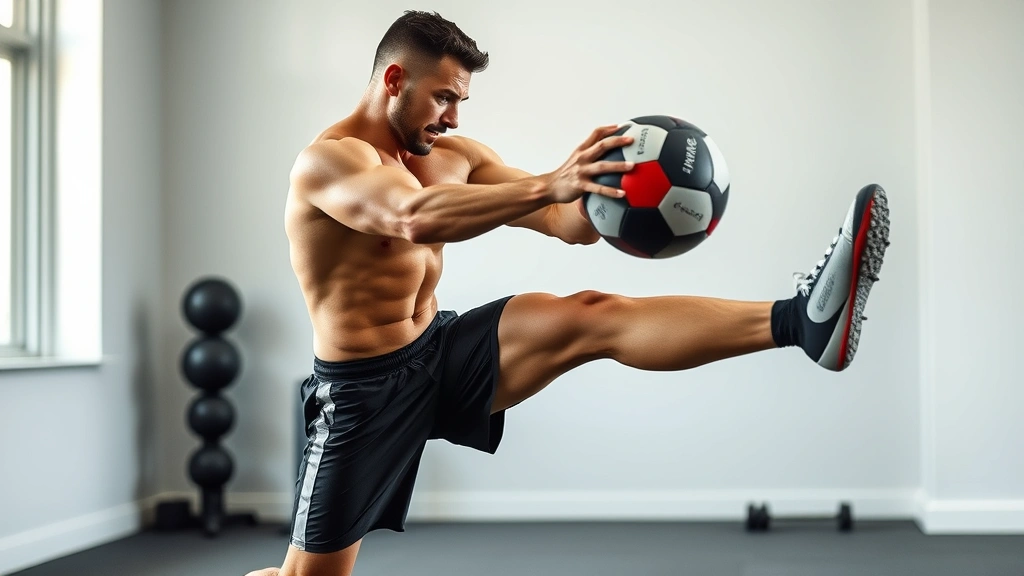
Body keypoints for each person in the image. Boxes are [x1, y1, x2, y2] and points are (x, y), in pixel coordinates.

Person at [248, 10, 890, 576]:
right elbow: (412, 218)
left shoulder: (456, 155)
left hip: (437, 350)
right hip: (362, 389)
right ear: (393, 80)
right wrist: (551, 183)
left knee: (590, 315)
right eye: (444, 97)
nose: (453, 117)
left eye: (461, 101)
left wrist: (602, 180)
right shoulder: (329, 163)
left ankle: (801, 322)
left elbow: (565, 223)